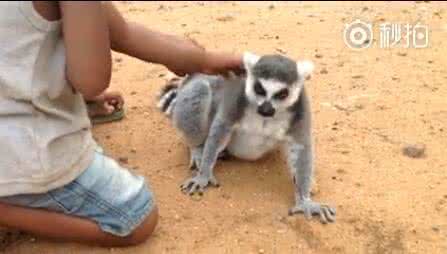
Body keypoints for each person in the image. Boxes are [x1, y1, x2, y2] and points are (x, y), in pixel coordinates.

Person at [0, 1, 242, 248]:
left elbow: (120, 31)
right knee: (135, 218)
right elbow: (91, 80)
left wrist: (202, 59)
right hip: (20, 154)